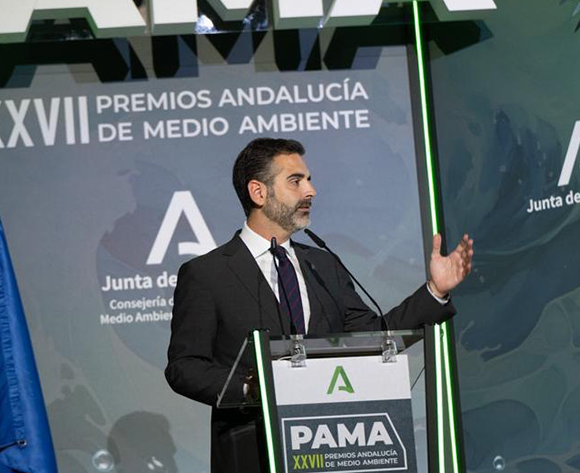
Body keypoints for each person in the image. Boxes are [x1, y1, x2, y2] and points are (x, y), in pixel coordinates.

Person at [164, 138, 473, 473]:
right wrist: (252, 388)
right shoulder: (207, 274)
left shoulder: (324, 266)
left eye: (308, 180)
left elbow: (374, 337)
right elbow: (185, 366)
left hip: (332, 450)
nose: (310, 191)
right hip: (252, 452)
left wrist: (434, 291)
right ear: (258, 192)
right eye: (296, 181)